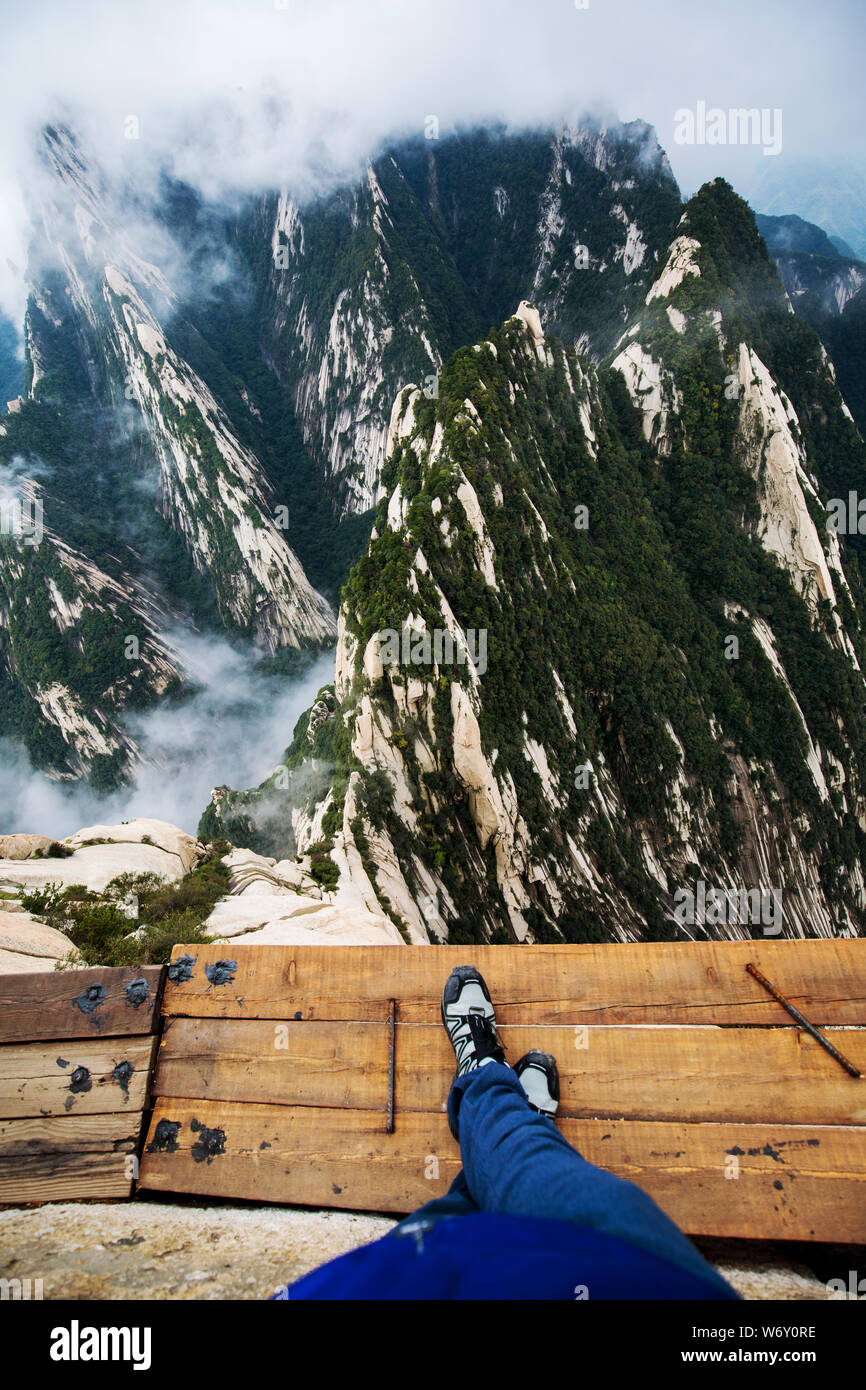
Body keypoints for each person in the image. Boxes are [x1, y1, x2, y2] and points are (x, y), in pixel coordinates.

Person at [274, 965, 738, 1300]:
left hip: (412, 1282)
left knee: (468, 1211)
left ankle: (490, 1082)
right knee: (564, 1191)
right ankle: (509, 1102)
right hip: (633, 1276)